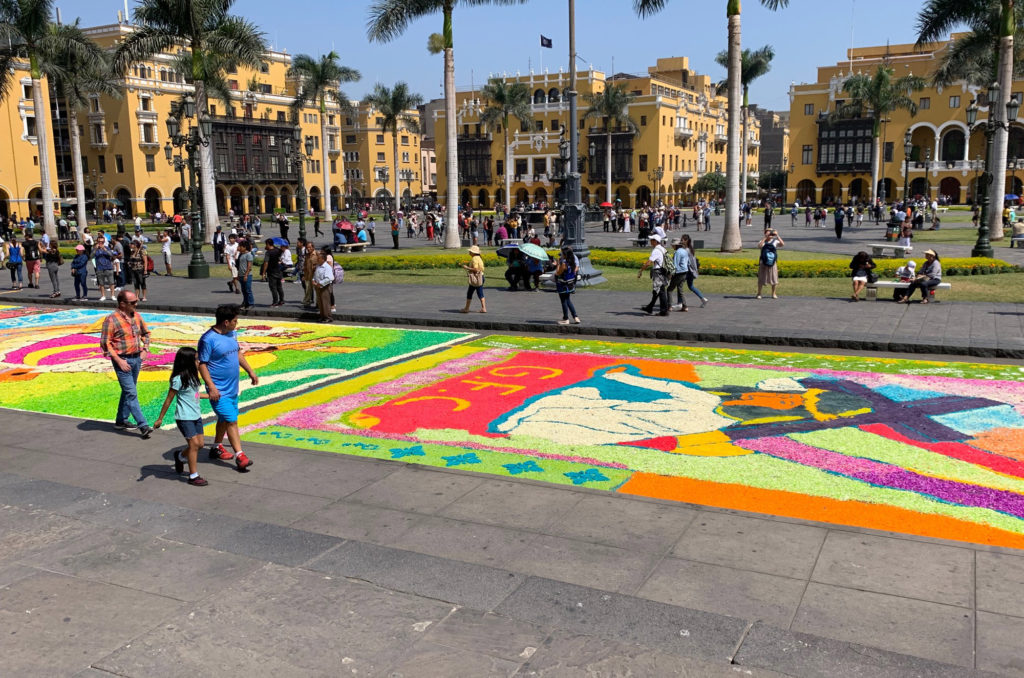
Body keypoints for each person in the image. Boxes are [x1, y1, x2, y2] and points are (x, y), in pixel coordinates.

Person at [198, 304, 258, 471]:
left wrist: (251, 372)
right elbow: (201, 364)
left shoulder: (232, 334)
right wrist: (211, 387)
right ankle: (240, 456)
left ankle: (216, 447)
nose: (236, 324)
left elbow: (237, 352)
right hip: (218, 390)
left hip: (232, 388)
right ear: (226, 322)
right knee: (232, 420)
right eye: (235, 321)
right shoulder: (207, 339)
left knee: (224, 419)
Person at [100, 290, 153, 438]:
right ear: (122, 304)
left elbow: (146, 333)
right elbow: (106, 343)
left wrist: (145, 349)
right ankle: (143, 425)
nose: (136, 304)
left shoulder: (136, 316)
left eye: (136, 301)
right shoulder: (111, 320)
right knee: (131, 393)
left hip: (136, 358)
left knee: (128, 390)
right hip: (122, 360)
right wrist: (118, 360)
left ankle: (121, 421)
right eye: (133, 302)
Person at [153, 347, 210, 486]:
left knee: (200, 444)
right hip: (184, 417)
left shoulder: (194, 377)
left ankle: (180, 456)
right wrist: (160, 418)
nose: (199, 362)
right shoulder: (178, 379)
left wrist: (209, 396)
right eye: (196, 359)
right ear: (188, 362)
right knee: (194, 445)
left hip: (196, 416)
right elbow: (168, 399)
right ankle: (193, 476)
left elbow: (194, 395)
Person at [637, 234, 669, 316]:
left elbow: (648, 262)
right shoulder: (663, 249)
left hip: (658, 272)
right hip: (663, 272)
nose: (650, 241)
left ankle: (664, 311)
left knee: (660, 291)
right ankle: (650, 307)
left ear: (655, 241)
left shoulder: (656, 250)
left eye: (652, 240)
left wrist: (641, 270)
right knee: (657, 291)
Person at [554, 245, 580, 325]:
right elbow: (575, 270)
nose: (561, 255)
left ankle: (566, 318)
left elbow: (558, 273)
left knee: (563, 301)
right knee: (568, 300)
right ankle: (575, 317)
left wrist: (558, 264)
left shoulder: (564, 264)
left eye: (562, 254)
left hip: (563, 285)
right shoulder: (572, 262)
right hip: (570, 284)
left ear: (565, 255)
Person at [756, 228, 784, 299]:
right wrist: (765, 238)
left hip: (772, 262)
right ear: (765, 233)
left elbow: (782, 244)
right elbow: (759, 246)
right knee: (761, 278)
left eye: (771, 233)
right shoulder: (762, 241)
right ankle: (759, 293)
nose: (770, 235)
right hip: (763, 262)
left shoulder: (775, 241)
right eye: (768, 233)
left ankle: (773, 293)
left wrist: (777, 235)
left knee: (774, 278)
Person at [666, 239, 691, 312]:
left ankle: (669, 306)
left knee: (669, 290)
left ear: (676, 245)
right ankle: (685, 306)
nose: (672, 246)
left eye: (673, 245)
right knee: (680, 290)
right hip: (685, 272)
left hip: (678, 273)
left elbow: (675, 265)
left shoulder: (677, 252)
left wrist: (670, 274)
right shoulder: (685, 251)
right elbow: (688, 262)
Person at [460, 244, 487, 313]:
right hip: (481, 277)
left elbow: (475, 269)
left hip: (476, 278)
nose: (469, 252)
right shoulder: (479, 257)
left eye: (470, 251)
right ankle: (483, 308)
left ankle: (466, 308)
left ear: (473, 253)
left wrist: (467, 268)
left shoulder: (474, 258)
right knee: (480, 293)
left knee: (470, 293)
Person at [312, 250, 335, 322]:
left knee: (325, 303)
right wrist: (313, 280)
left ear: (323, 259)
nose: (317, 259)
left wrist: (320, 283)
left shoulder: (327, 267)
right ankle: (322, 316)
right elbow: (315, 274)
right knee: (320, 302)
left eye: (319, 258)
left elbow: (329, 278)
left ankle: (328, 317)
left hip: (325, 287)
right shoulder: (318, 266)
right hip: (318, 286)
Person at [261, 238, 284, 306]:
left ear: (268, 244)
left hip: (271, 272)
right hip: (278, 270)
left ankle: (275, 301)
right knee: (279, 287)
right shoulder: (278, 250)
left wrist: (263, 272)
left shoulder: (268, 253)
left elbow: (266, 263)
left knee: (273, 287)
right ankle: (281, 300)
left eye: (266, 244)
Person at [236, 239, 254, 310]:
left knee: (248, 290)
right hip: (241, 275)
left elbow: (249, 266)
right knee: (243, 290)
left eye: (240, 246)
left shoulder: (248, 255)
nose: (239, 248)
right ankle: (245, 303)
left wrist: (246, 275)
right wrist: (238, 274)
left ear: (244, 247)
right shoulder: (241, 255)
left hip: (247, 275)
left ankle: (251, 303)